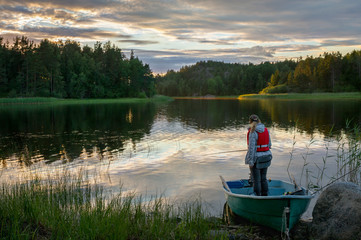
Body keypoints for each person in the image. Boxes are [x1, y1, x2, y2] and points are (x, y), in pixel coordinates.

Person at [245, 114, 272, 196]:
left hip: (257, 158)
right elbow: (269, 145)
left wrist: (250, 162)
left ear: (250, 122)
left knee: (257, 180)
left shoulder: (253, 132)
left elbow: (251, 148)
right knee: (263, 179)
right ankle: (265, 195)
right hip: (267, 156)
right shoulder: (266, 130)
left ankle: (257, 196)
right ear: (259, 121)